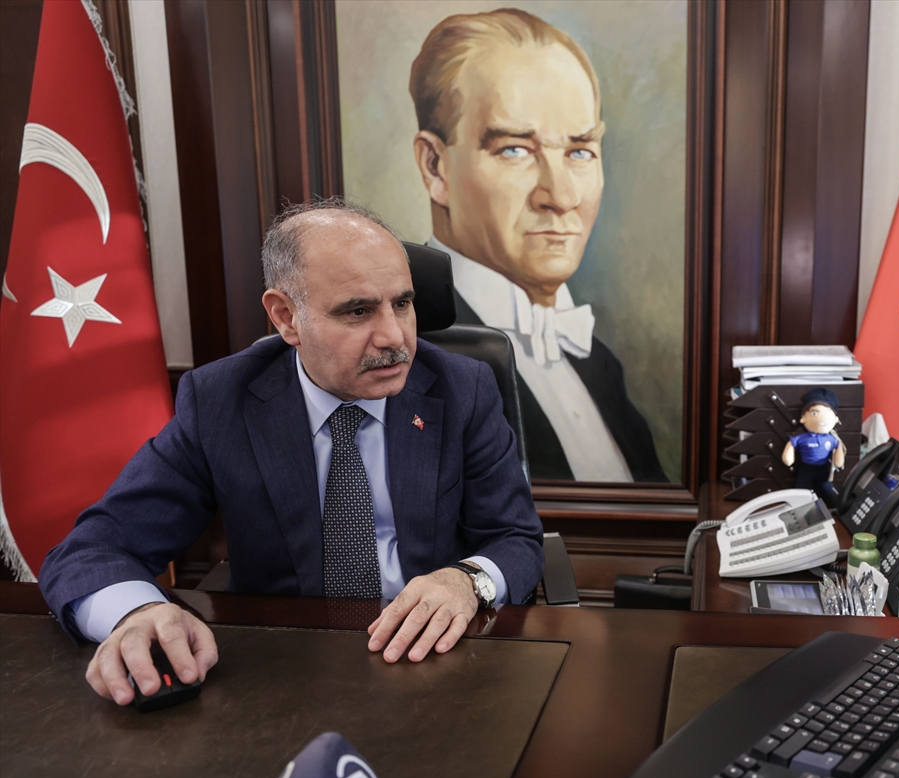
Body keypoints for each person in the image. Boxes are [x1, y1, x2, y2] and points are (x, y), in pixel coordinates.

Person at [38, 199, 544, 706]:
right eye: (358, 311)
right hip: (281, 673)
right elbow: (92, 551)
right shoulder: (221, 401)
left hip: (434, 662)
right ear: (286, 318)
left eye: (403, 304)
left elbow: (516, 538)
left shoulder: (462, 388)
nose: (395, 337)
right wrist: (136, 613)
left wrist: (466, 581)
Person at [409, 8, 667, 484]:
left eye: (580, 151)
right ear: (435, 167)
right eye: (515, 149)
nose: (562, 196)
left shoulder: (599, 363)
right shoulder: (408, 357)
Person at [780, 387, 846, 506]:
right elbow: (791, 445)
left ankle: (834, 507)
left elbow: (838, 449)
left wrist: (839, 461)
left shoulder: (832, 439)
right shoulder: (801, 438)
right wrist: (788, 458)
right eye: (814, 413)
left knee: (827, 489)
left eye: (827, 413)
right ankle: (799, 507)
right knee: (801, 489)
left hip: (823, 469)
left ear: (835, 419)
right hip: (806, 469)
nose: (821, 418)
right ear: (803, 417)